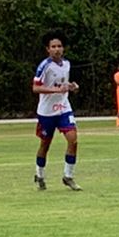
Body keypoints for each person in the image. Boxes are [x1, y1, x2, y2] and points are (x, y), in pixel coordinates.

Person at [32, 33, 81, 191]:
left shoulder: (66, 64)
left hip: (63, 108)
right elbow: (36, 87)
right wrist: (55, 90)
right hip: (47, 112)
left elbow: (63, 83)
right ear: (48, 49)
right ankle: (39, 175)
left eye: (59, 46)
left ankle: (68, 176)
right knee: (45, 145)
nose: (57, 49)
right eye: (53, 47)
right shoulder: (44, 66)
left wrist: (72, 86)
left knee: (73, 140)